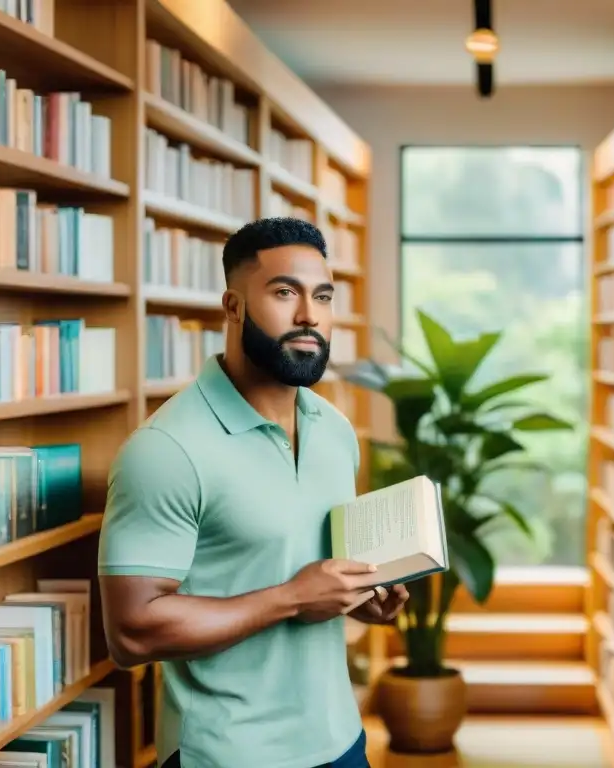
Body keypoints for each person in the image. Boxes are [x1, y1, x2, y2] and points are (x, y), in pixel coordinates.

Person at [98, 217, 408, 768]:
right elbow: (132, 633)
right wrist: (292, 598)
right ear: (234, 305)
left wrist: (361, 598)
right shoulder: (166, 450)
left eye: (323, 295)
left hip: (342, 741)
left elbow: (302, 567)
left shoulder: (335, 431)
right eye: (284, 292)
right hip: (226, 754)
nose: (309, 315)